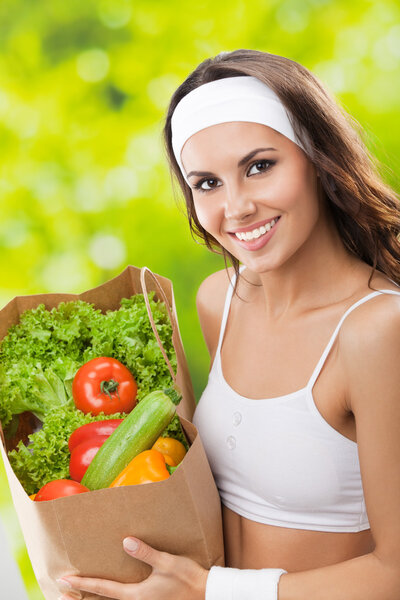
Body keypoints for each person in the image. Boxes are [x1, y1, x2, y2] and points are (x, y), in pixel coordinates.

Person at [57, 50, 400, 599]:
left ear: (317, 158)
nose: (235, 207)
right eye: (207, 183)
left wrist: (210, 591)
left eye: (259, 166)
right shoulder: (221, 299)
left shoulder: (377, 330)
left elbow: (395, 573)